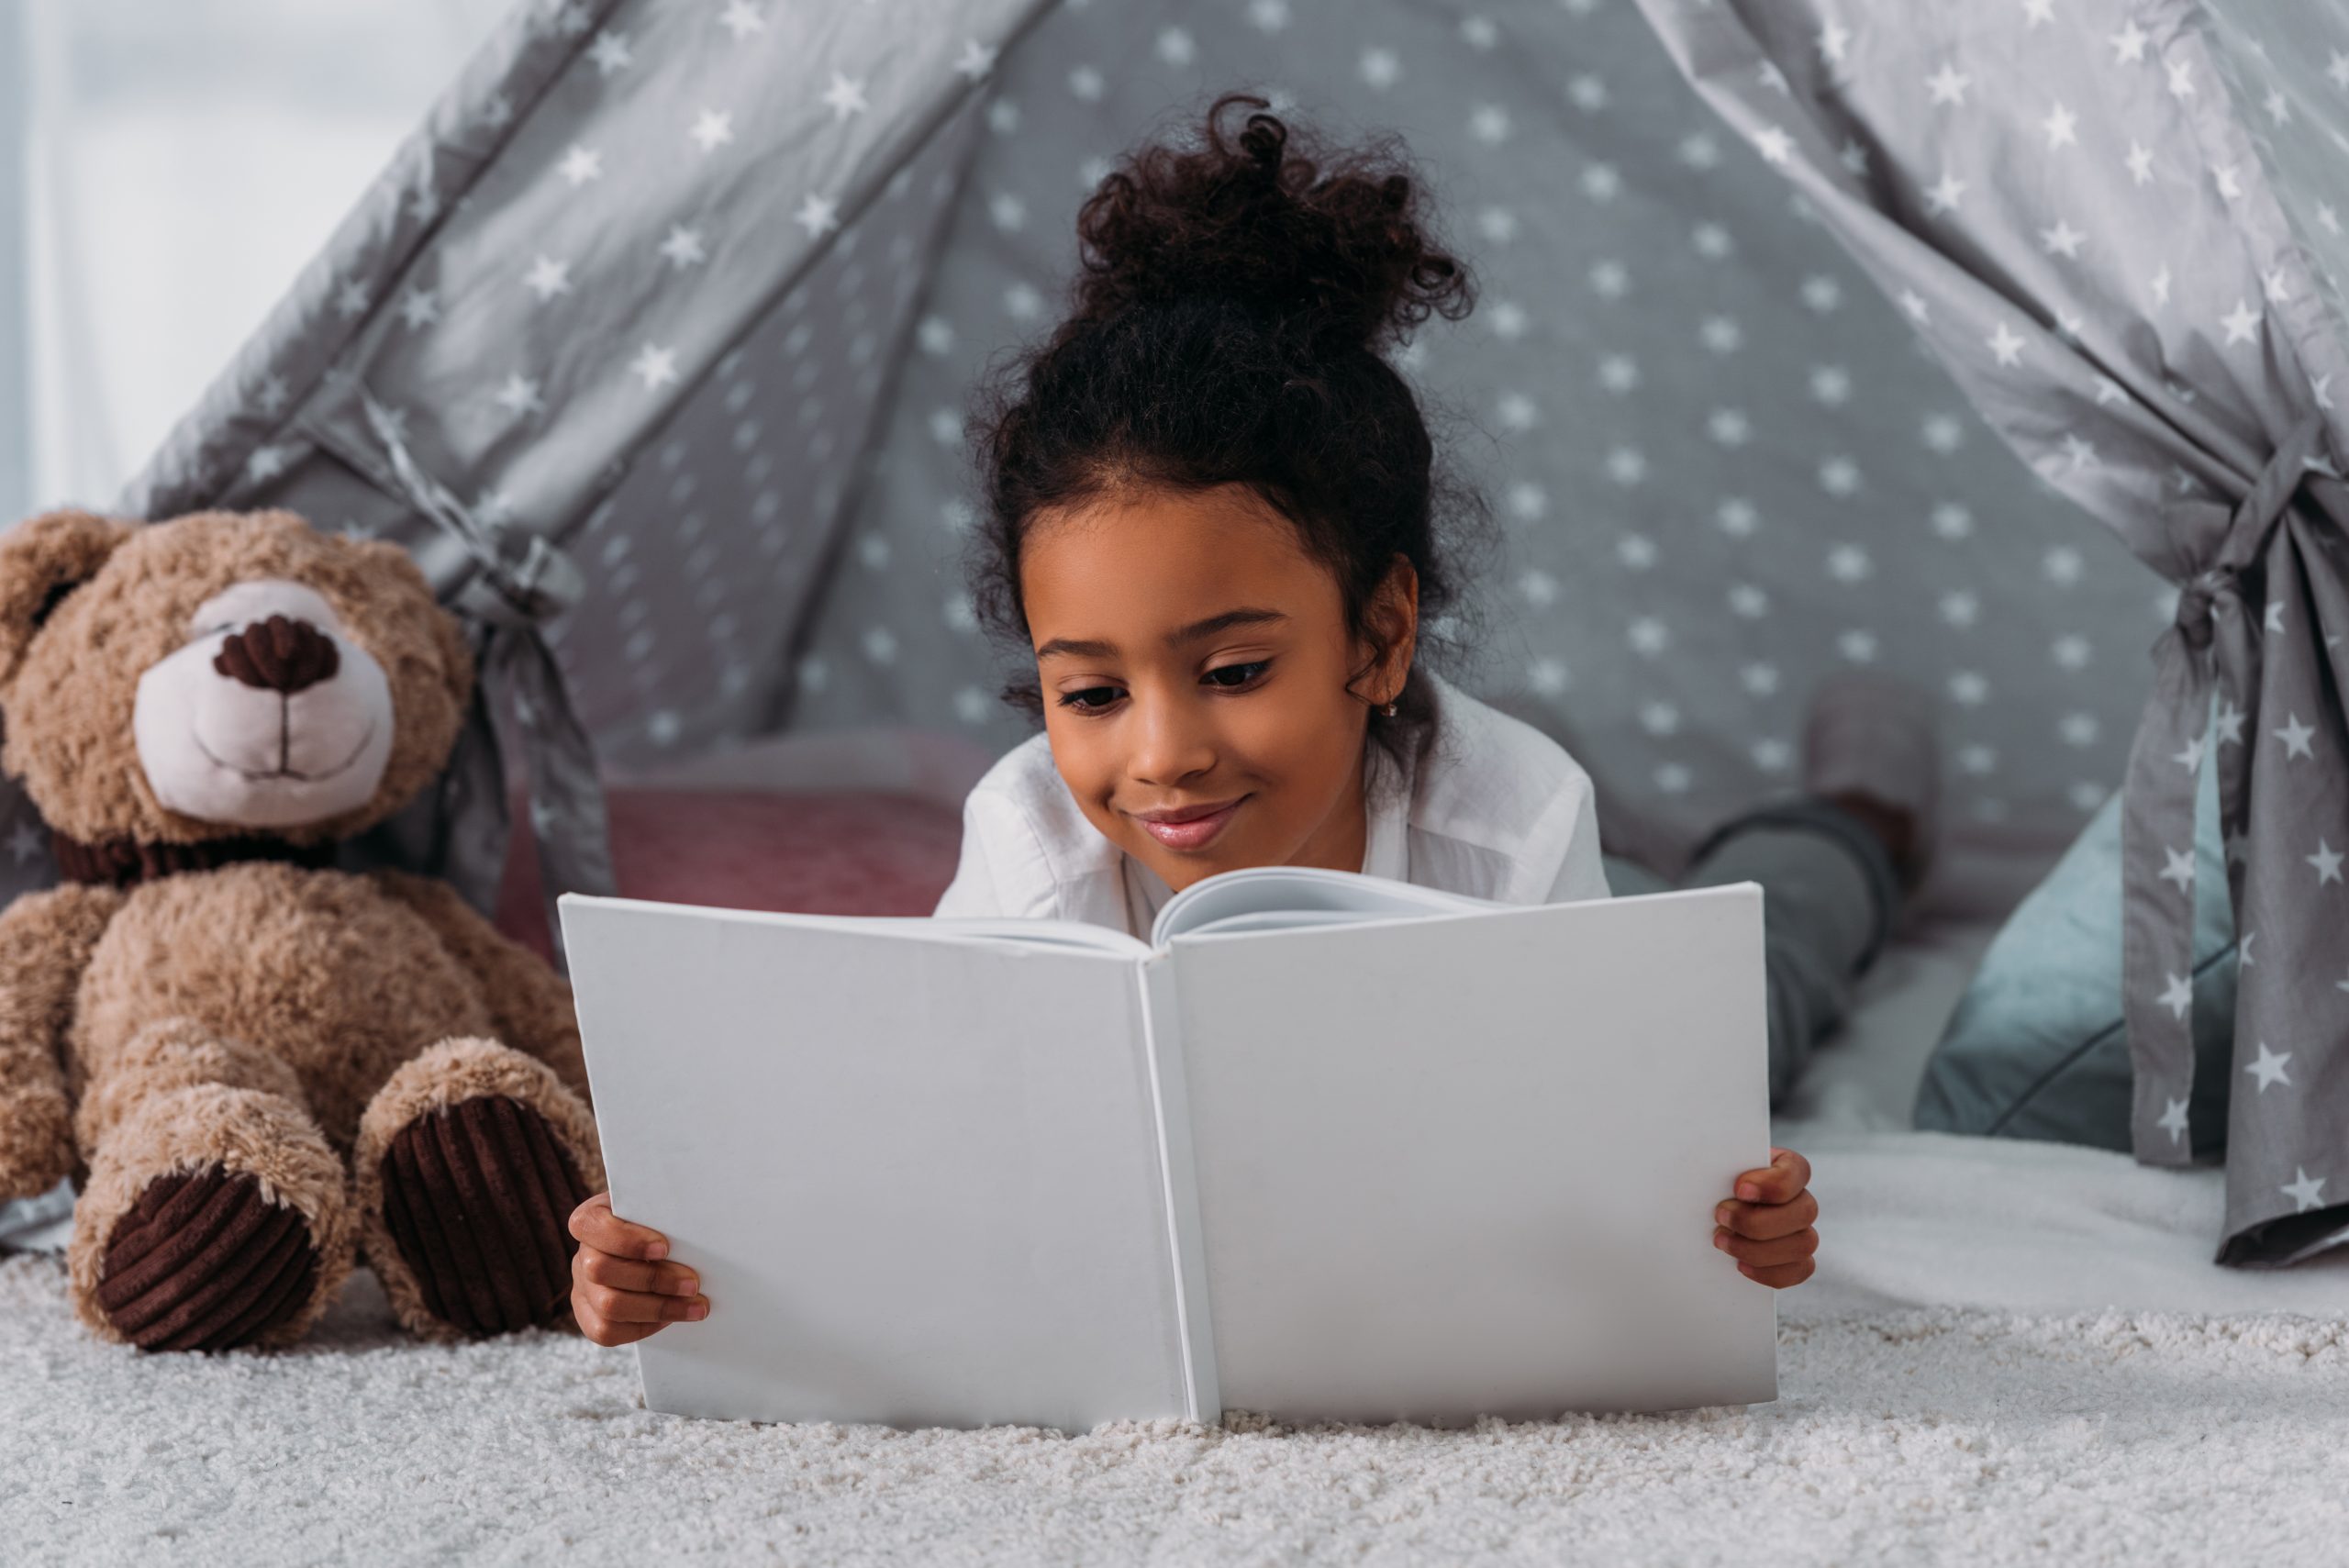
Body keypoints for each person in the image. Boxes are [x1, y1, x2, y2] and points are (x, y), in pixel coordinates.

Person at [566, 94, 1940, 1349]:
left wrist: (1736, 1219)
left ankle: (1857, 807)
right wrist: (679, 1261)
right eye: (1092, 693)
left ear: (1379, 635)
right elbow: (918, 1162)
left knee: (1774, 960)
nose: (1160, 755)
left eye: (1230, 671)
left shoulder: (1520, 823)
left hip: (1594, 906)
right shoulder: (1026, 844)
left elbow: (1627, 1172)